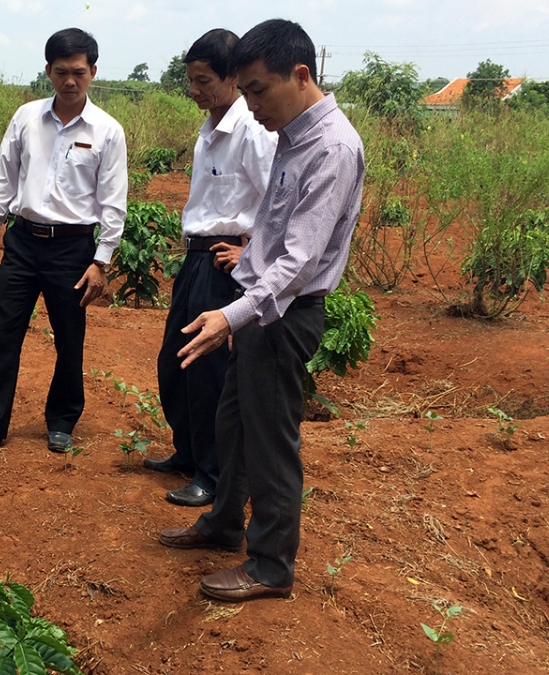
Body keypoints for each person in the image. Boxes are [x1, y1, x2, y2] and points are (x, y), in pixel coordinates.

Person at [157, 19, 365, 602]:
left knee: (271, 441)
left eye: (257, 90)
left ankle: (271, 564)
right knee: (233, 423)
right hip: (257, 305)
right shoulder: (293, 135)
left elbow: (300, 260)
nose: (250, 104)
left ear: (300, 76)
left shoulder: (331, 147)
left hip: (284, 315)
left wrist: (235, 313)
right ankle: (224, 523)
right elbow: (271, 230)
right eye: (244, 91)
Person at [0, 28, 127, 454]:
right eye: (60, 72)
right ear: (48, 71)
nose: (69, 81)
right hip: (23, 243)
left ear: (93, 72)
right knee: (2, 333)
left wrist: (102, 260)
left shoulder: (107, 131)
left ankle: (62, 422)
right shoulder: (26, 117)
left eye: (78, 72)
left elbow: (114, 202)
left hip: (73, 249)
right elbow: (3, 178)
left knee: (69, 337)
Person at [144, 28, 276, 508]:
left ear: (232, 77)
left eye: (202, 81)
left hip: (225, 262)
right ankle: (188, 451)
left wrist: (251, 251)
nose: (194, 91)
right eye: (191, 81)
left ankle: (213, 474)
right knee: (174, 361)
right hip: (197, 257)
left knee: (209, 371)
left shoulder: (252, 131)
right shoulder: (209, 131)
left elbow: (275, 200)